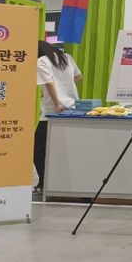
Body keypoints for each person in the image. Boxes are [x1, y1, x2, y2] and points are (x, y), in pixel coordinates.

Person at [35, 41, 82, 191]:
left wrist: (57, 103)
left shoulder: (42, 61)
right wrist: (65, 87)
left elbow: (49, 84)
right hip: (72, 108)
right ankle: (57, 184)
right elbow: (79, 77)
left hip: (52, 112)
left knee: (38, 149)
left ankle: (44, 184)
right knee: (63, 149)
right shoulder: (66, 57)